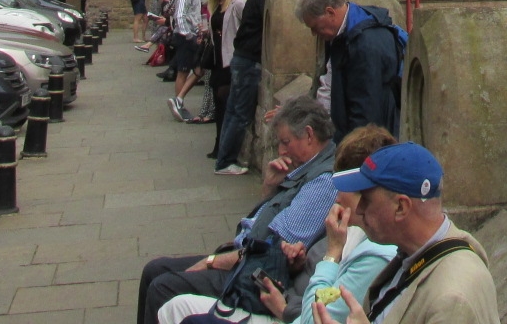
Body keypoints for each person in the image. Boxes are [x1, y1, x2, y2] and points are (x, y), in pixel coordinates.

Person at [159, 125, 400, 324]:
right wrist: (298, 260)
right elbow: (264, 231)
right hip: (275, 288)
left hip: (281, 307)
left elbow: (313, 317)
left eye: (286, 142)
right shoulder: (350, 226)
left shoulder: (370, 249)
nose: (336, 196)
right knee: (169, 297)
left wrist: (331, 255)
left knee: (170, 298)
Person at [137, 96, 339, 324]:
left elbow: (271, 250)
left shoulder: (323, 182)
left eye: (286, 142)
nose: (281, 150)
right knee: (154, 270)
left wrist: (211, 262)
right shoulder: (304, 169)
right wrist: (270, 186)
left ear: (309, 135)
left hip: (254, 277)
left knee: (163, 287)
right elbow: (263, 224)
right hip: (244, 259)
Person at [312, 143, 496, 324]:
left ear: (401, 207)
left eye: (366, 199)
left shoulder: (452, 298)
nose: (359, 209)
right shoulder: (414, 254)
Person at [296, 0, 401, 141]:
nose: (314, 33)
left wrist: (352, 149)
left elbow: (366, 111)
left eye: (315, 27)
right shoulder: (344, 34)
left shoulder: (365, 44)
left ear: (330, 12)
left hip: (367, 141)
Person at [216, 0, 289, 174]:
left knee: (232, 110)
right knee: (240, 114)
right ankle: (225, 162)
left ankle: (224, 157)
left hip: (241, 57)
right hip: (248, 61)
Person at [195, 0, 245, 139]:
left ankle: (224, 143)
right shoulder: (215, 4)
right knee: (218, 103)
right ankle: (219, 143)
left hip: (230, 60)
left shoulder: (238, 4)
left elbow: (247, 28)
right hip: (217, 59)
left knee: (225, 102)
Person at [170, 0, 210, 120]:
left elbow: (204, 0)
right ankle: (178, 103)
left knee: (199, 69)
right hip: (185, 37)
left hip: (192, 34)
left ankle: (179, 100)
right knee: (184, 71)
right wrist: (187, 34)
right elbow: (180, 14)